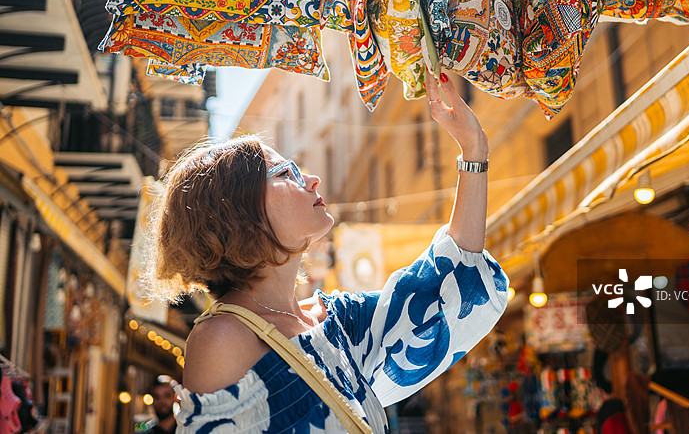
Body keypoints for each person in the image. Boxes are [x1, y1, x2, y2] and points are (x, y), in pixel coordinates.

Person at [146, 72, 509, 432]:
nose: (311, 178)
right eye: (285, 173)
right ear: (239, 212)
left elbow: (444, 286)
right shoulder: (223, 339)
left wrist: (473, 149)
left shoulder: (332, 320)